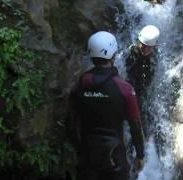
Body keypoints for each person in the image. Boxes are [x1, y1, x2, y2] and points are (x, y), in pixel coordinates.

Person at [67, 31, 145, 180]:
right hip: (115, 160)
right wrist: (140, 155)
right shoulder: (125, 89)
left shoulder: (80, 85)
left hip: (87, 157)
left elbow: (70, 122)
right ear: (113, 54)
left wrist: (79, 149)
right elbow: (135, 125)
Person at [125, 25, 160, 98]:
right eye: (143, 45)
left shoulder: (155, 55)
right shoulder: (131, 53)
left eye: (149, 47)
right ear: (139, 41)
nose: (146, 50)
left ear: (154, 46)